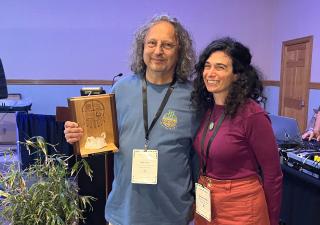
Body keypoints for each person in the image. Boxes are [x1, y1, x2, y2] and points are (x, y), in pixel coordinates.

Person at [65, 15, 199, 225]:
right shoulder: (121, 89)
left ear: (179, 52)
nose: (158, 51)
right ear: (142, 47)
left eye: (167, 45)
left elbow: (199, 155)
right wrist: (78, 135)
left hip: (173, 213)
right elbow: (99, 138)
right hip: (124, 213)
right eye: (152, 43)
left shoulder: (192, 96)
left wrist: (198, 198)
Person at [191, 37, 283, 225]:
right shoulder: (207, 109)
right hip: (206, 202)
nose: (210, 73)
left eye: (220, 67)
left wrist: (272, 220)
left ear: (237, 75)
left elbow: (273, 174)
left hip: (241, 208)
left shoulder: (252, 115)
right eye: (207, 66)